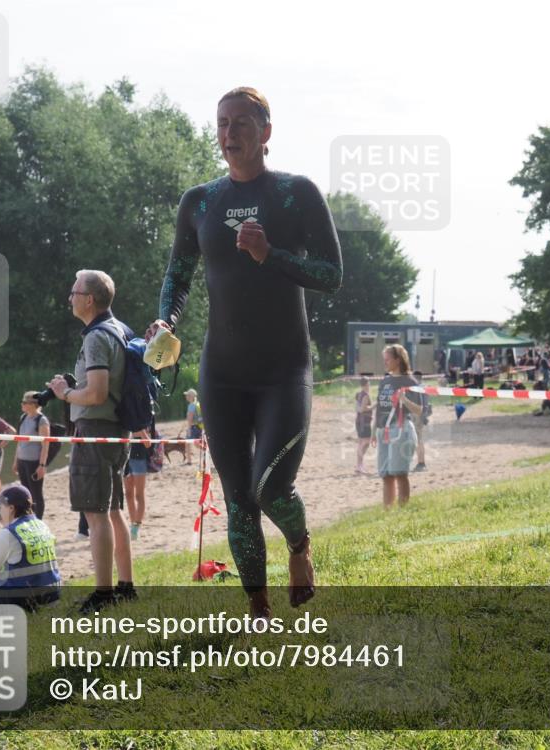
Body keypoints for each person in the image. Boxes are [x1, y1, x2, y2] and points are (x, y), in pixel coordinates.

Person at [149, 87, 342, 618]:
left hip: (285, 369)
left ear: (266, 133)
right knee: (238, 497)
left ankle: (299, 547)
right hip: (223, 372)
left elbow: (332, 274)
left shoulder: (295, 194)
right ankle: (258, 607)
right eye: (222, 124)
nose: (229, 135)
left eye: (240, 124)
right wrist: (167, 317)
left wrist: (269, 254)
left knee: (271, 487)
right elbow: (178, 274)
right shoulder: (201, 202)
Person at [48, 269, 136, 613]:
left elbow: (97, 393)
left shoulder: (96, 337)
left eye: (74, 292)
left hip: (97, 430)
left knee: (96, 513)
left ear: (89, 299)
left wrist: (65, 393)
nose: (69, 298)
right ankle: (125, 585)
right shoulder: (121, 330)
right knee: (113, 510)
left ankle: (103, 593)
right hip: (118, 431)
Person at [0, 485, 61, 610]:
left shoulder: (8, 533)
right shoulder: (42, 525)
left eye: (0, 507)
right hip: (51, 598)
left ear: (11, 508)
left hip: (24, 603)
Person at [371, 345, 423, 508]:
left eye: (387, 359)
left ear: (398, 359)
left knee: (399, 473)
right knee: (386, 474)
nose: (385, 362)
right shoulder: (385, 380)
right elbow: (380, 407)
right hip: (383, 430)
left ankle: (402, 510)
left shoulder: (410, 381)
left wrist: (404, 400)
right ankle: (388, 511)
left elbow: (419, 410)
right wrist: (374, 430)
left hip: (400, 430)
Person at [13, 391, 50, 519]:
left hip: (34, 462)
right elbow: (19, 441)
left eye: (24, 402)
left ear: (33, 404)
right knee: (25, 493)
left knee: (36, 494)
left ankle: (38, 521)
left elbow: (46, 444)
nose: (22, 404)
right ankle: (28, 518)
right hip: (22, 461)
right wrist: (16, 461)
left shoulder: (41, 420)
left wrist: (42, 465)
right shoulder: (23, 417)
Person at [124, 428, 152, 541]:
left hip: (139, 457)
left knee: (139, 495)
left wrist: (137, 431)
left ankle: (136, 527)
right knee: (128, 493)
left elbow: (147, 438)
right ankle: (132, 524)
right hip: (125, 457)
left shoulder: (142, 416)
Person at [412, 370, 430, 471]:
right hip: (420, 415)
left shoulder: (418, 388)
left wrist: (422, 416)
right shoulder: (423, 387)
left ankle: (421, 462)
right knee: (418, 439)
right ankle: (420, 462)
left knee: (418, 440)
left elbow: (422, 403)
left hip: (418, 415)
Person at [354, 377, 374, 474]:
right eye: (369, 384)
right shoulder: (366, 395)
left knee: (362, 443)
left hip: (359, 421)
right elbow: (362, 409)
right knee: (365, 443)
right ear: (366, 384)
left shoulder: (358, 394)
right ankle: (359, 465)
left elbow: (357, 408)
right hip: (364, 422)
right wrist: (374, 406)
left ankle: (360, 464)